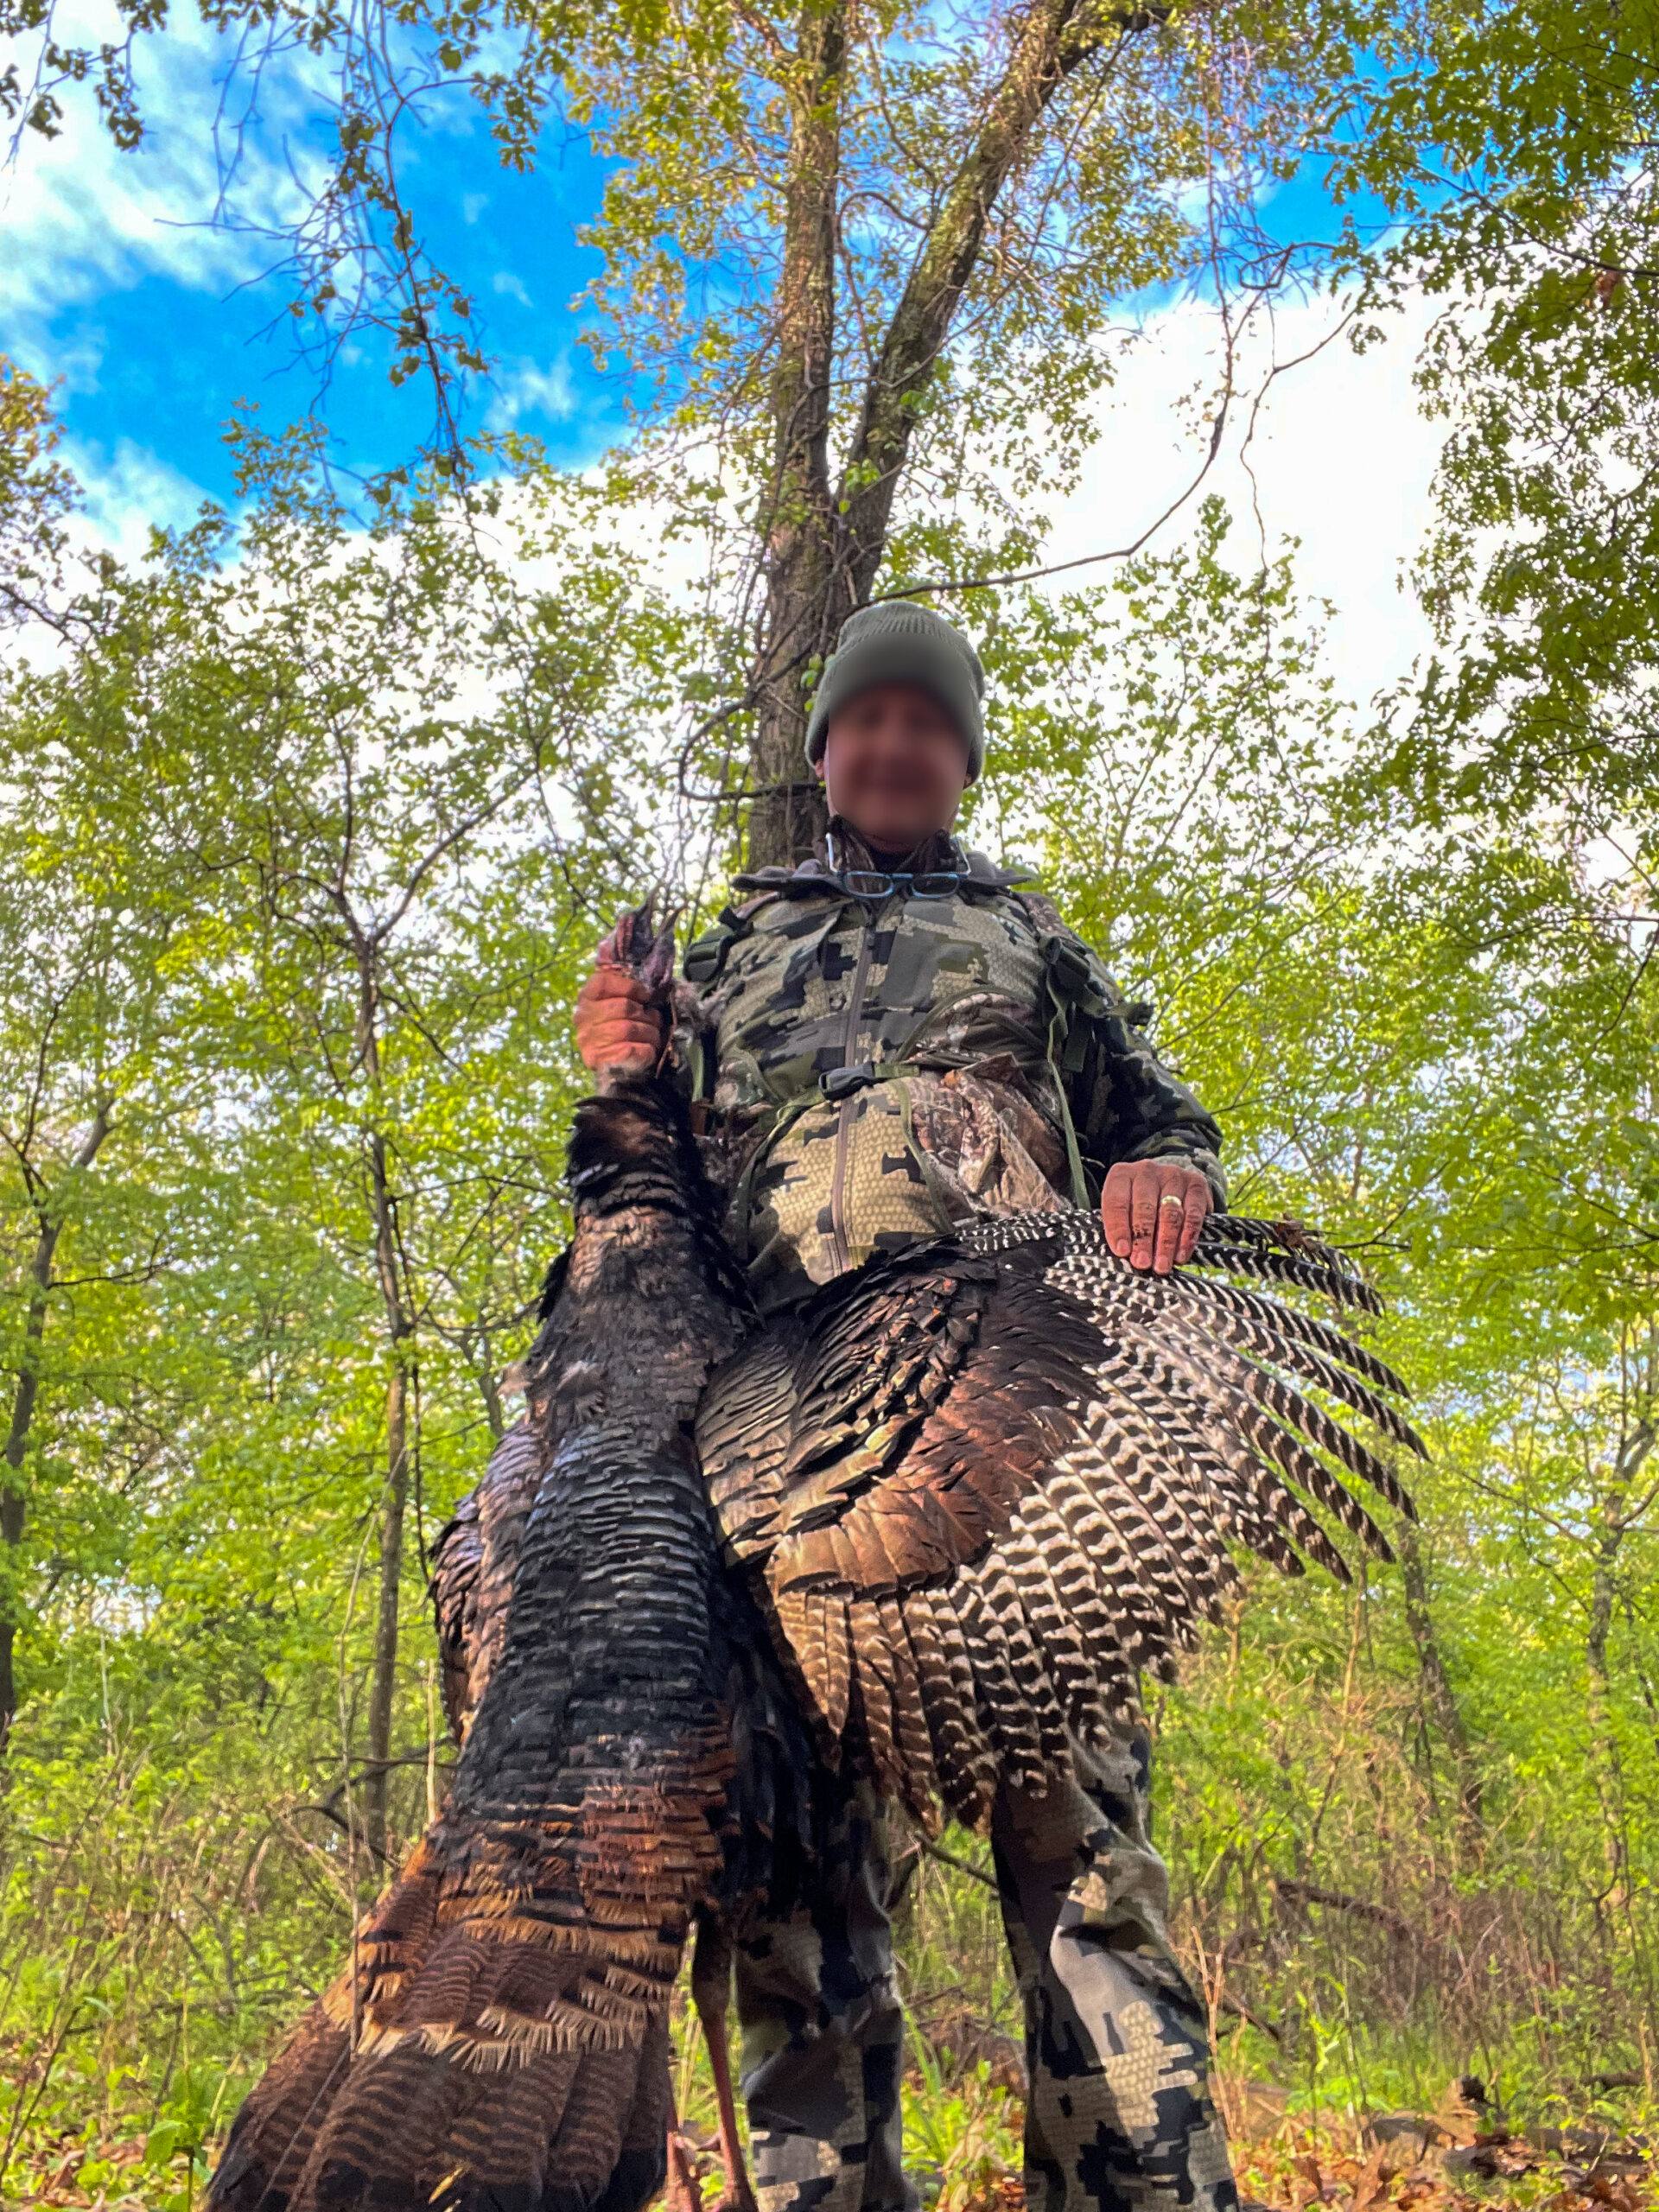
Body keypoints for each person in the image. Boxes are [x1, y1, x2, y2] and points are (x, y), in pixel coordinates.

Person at [572, 602, 1239, 2212]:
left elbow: (1163, 1122)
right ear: (823, 753)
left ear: (961, 759)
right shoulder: (727, 954)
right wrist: (621, 1075)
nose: (892, 744)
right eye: (865, 719)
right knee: (794, 1902)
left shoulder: (1027, 937)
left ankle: (1142, 2189)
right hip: (780, 1437)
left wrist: (1169, 1170)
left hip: (1006, 1419)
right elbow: (645, 1193)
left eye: (925, 724)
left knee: (1083, 1867)